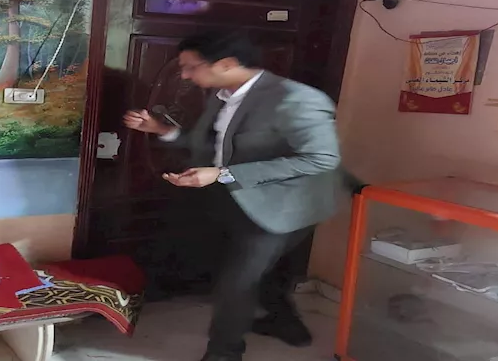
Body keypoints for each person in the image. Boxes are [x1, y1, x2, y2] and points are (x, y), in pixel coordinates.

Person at [123, 31, 344, 361]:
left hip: (283, 205)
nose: (185, 75)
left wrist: (223, 174)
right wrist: (162, 130)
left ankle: (224, 353)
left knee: (237, 282)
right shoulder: (222, 95)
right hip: (234, 197)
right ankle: (285, 323)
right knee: (254, 270)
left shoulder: (296, 98)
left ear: (226, 64)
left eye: (191, 67)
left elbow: (321, 159)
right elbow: (213, 146)